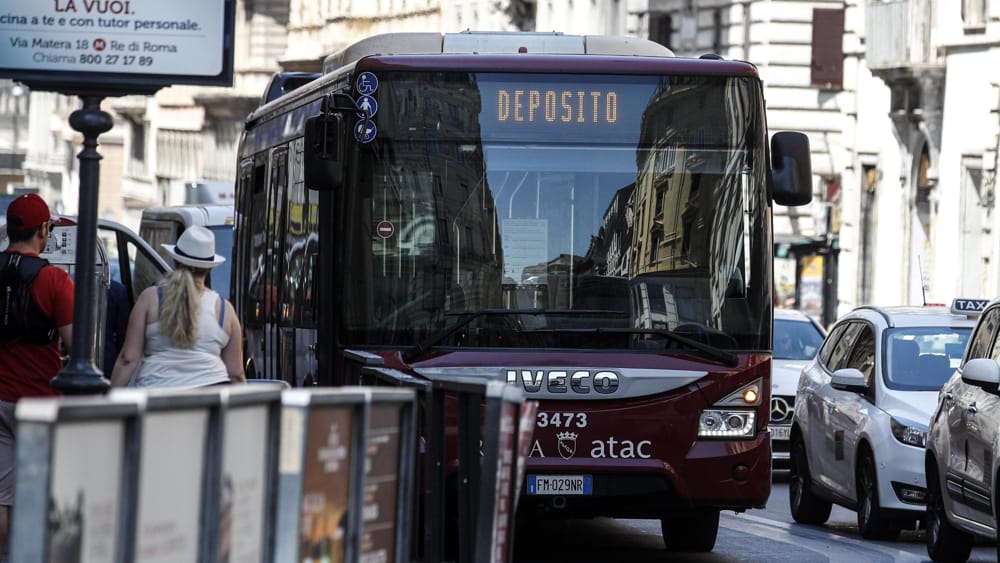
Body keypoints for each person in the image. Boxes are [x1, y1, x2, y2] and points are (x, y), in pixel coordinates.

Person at [0, 193, 74, 556]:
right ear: (43, 231)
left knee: (2, 494)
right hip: (41, 402)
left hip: (0, 399)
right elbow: (77, 345)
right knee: (42, 488)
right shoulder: (55, 281)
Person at [110, 225, 245, 388]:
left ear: (175, 262)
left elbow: (128, 359)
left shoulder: (150, 298)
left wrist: (110, 399)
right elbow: (236, 374)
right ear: (209, 269)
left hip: (157, 395)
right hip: (211, 398)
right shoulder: (225, 309)